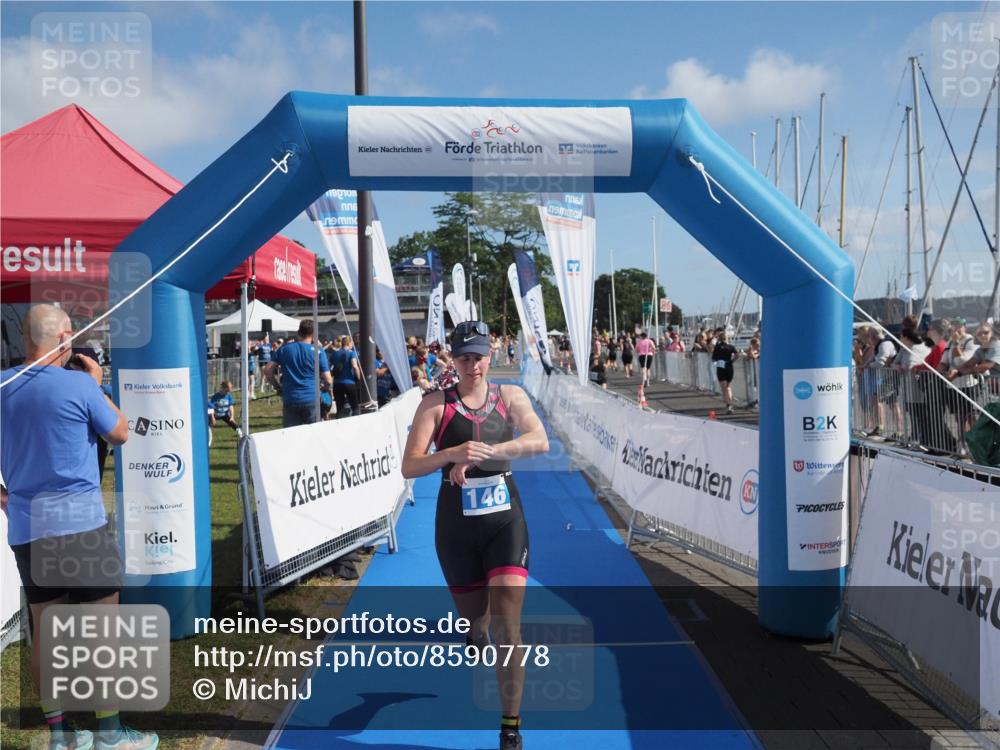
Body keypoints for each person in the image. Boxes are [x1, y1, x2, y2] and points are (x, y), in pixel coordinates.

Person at [1, 305, 158, 750]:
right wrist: (94, 383)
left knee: (45, 632)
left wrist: (5, 497)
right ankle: (109, 733)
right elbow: (121, 432)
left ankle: (60, 735)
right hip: (81, 527)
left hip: (28, 529)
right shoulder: (78, 385)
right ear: (66, 338)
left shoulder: (2, 386)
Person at [401, 321, 549, 750]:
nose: (473, 364)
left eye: (480, 355)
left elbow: (539, 440)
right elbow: (410, 466)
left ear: (490, 355)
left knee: (509, 628)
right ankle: (473, 633)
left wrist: (490, 452)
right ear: (453, 358)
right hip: (456, 527)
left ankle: (510, 727)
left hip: (505, 521)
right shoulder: (435, 403)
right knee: (476, 619)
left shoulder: (510, 396)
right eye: (465, 357)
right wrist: (450, 454)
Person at [264, 320, 332, 428]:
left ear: (298, 332)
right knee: (314, 436)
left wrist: (277, 386)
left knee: (292, 438)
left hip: (290, 398)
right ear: (313, 334)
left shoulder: (284, 349)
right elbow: (328, 380)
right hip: (311, 398)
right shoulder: (318, 351)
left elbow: (268, 370)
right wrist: (325, 388)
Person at [330, 335, 363, 418]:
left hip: (337, 384)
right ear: (349, 343)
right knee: (355, 407)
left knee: (340, 408)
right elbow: (355, 366)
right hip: (349, 383)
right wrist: (359, 379)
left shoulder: (335, 353)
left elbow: (331, 366)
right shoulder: (351, 353)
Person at [710, 329, 738, 414]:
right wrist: (732, 361)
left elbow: (713, 358)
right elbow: (737, 355)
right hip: (729, 366)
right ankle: (729, 403)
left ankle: (729, 405)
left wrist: (718, 358)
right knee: (728, 387)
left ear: (719, 339)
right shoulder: (731, 346)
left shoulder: (718, 347)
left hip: (721, 367)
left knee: (724, 388)